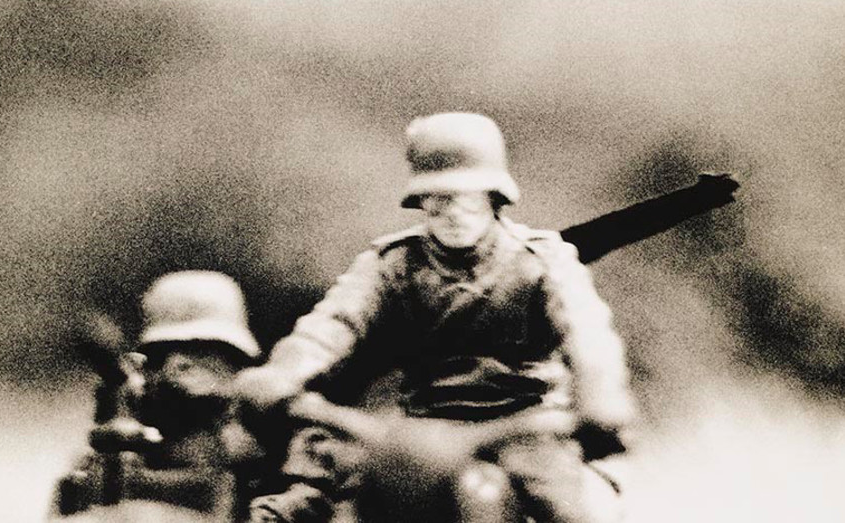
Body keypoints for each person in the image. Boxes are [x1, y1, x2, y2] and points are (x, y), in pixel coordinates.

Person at [232, 112, 636, 522]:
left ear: (494, 197)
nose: (454, 213)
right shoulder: (392, 265)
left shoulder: (543, 261)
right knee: (315, 496)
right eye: (439, 200)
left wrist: (600, 393)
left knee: (570, 509)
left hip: (523, 426)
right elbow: (333, 324)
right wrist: (283, 372)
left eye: (468, 198)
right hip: (419, 433)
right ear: (420, 200)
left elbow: (587, 331)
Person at [53, 270, 264, 519]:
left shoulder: (255, 437)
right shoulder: (126, 437)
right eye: (167, 353)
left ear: (235, 361)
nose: (183, 365)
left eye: (207, 351)